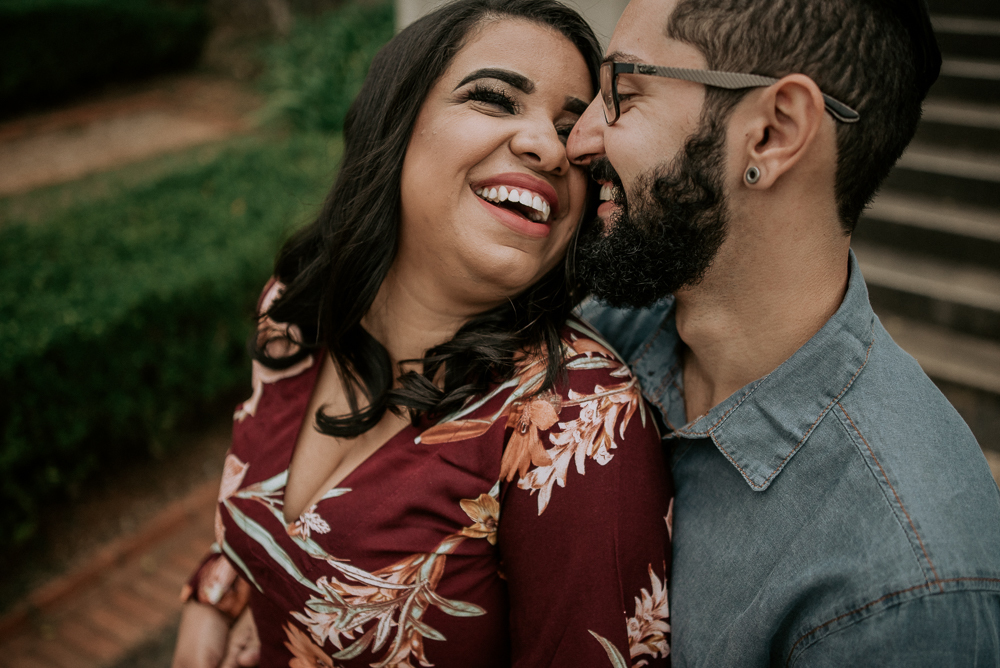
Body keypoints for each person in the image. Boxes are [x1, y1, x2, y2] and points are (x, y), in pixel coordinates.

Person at [172, 2, 673, 667]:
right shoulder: (296, 314)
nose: (550, 149)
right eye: (495, 100)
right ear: (396, 122)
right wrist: (212, 599)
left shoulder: (578, 426)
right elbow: (258, 512)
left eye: (568, 131)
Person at [567, 0, 1000, 664]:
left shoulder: (907, 582)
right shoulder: (599, 332)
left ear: (772, 132)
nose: (580, 138)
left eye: (622, 93)